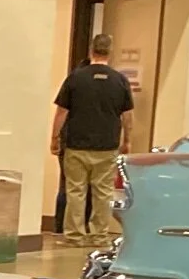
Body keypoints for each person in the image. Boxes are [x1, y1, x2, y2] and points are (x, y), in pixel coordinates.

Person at [49, 34, 133, 243]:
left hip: (77, 144)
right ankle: (99, 235)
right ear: (110, 52)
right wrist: (127, 140)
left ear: (91, 51)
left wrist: (55, 137)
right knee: (103, 192)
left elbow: (62, 112)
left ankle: (75, 235)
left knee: (76, 191)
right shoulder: (119, 80)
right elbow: (127, 115)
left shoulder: (76, 78)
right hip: (107, 145)